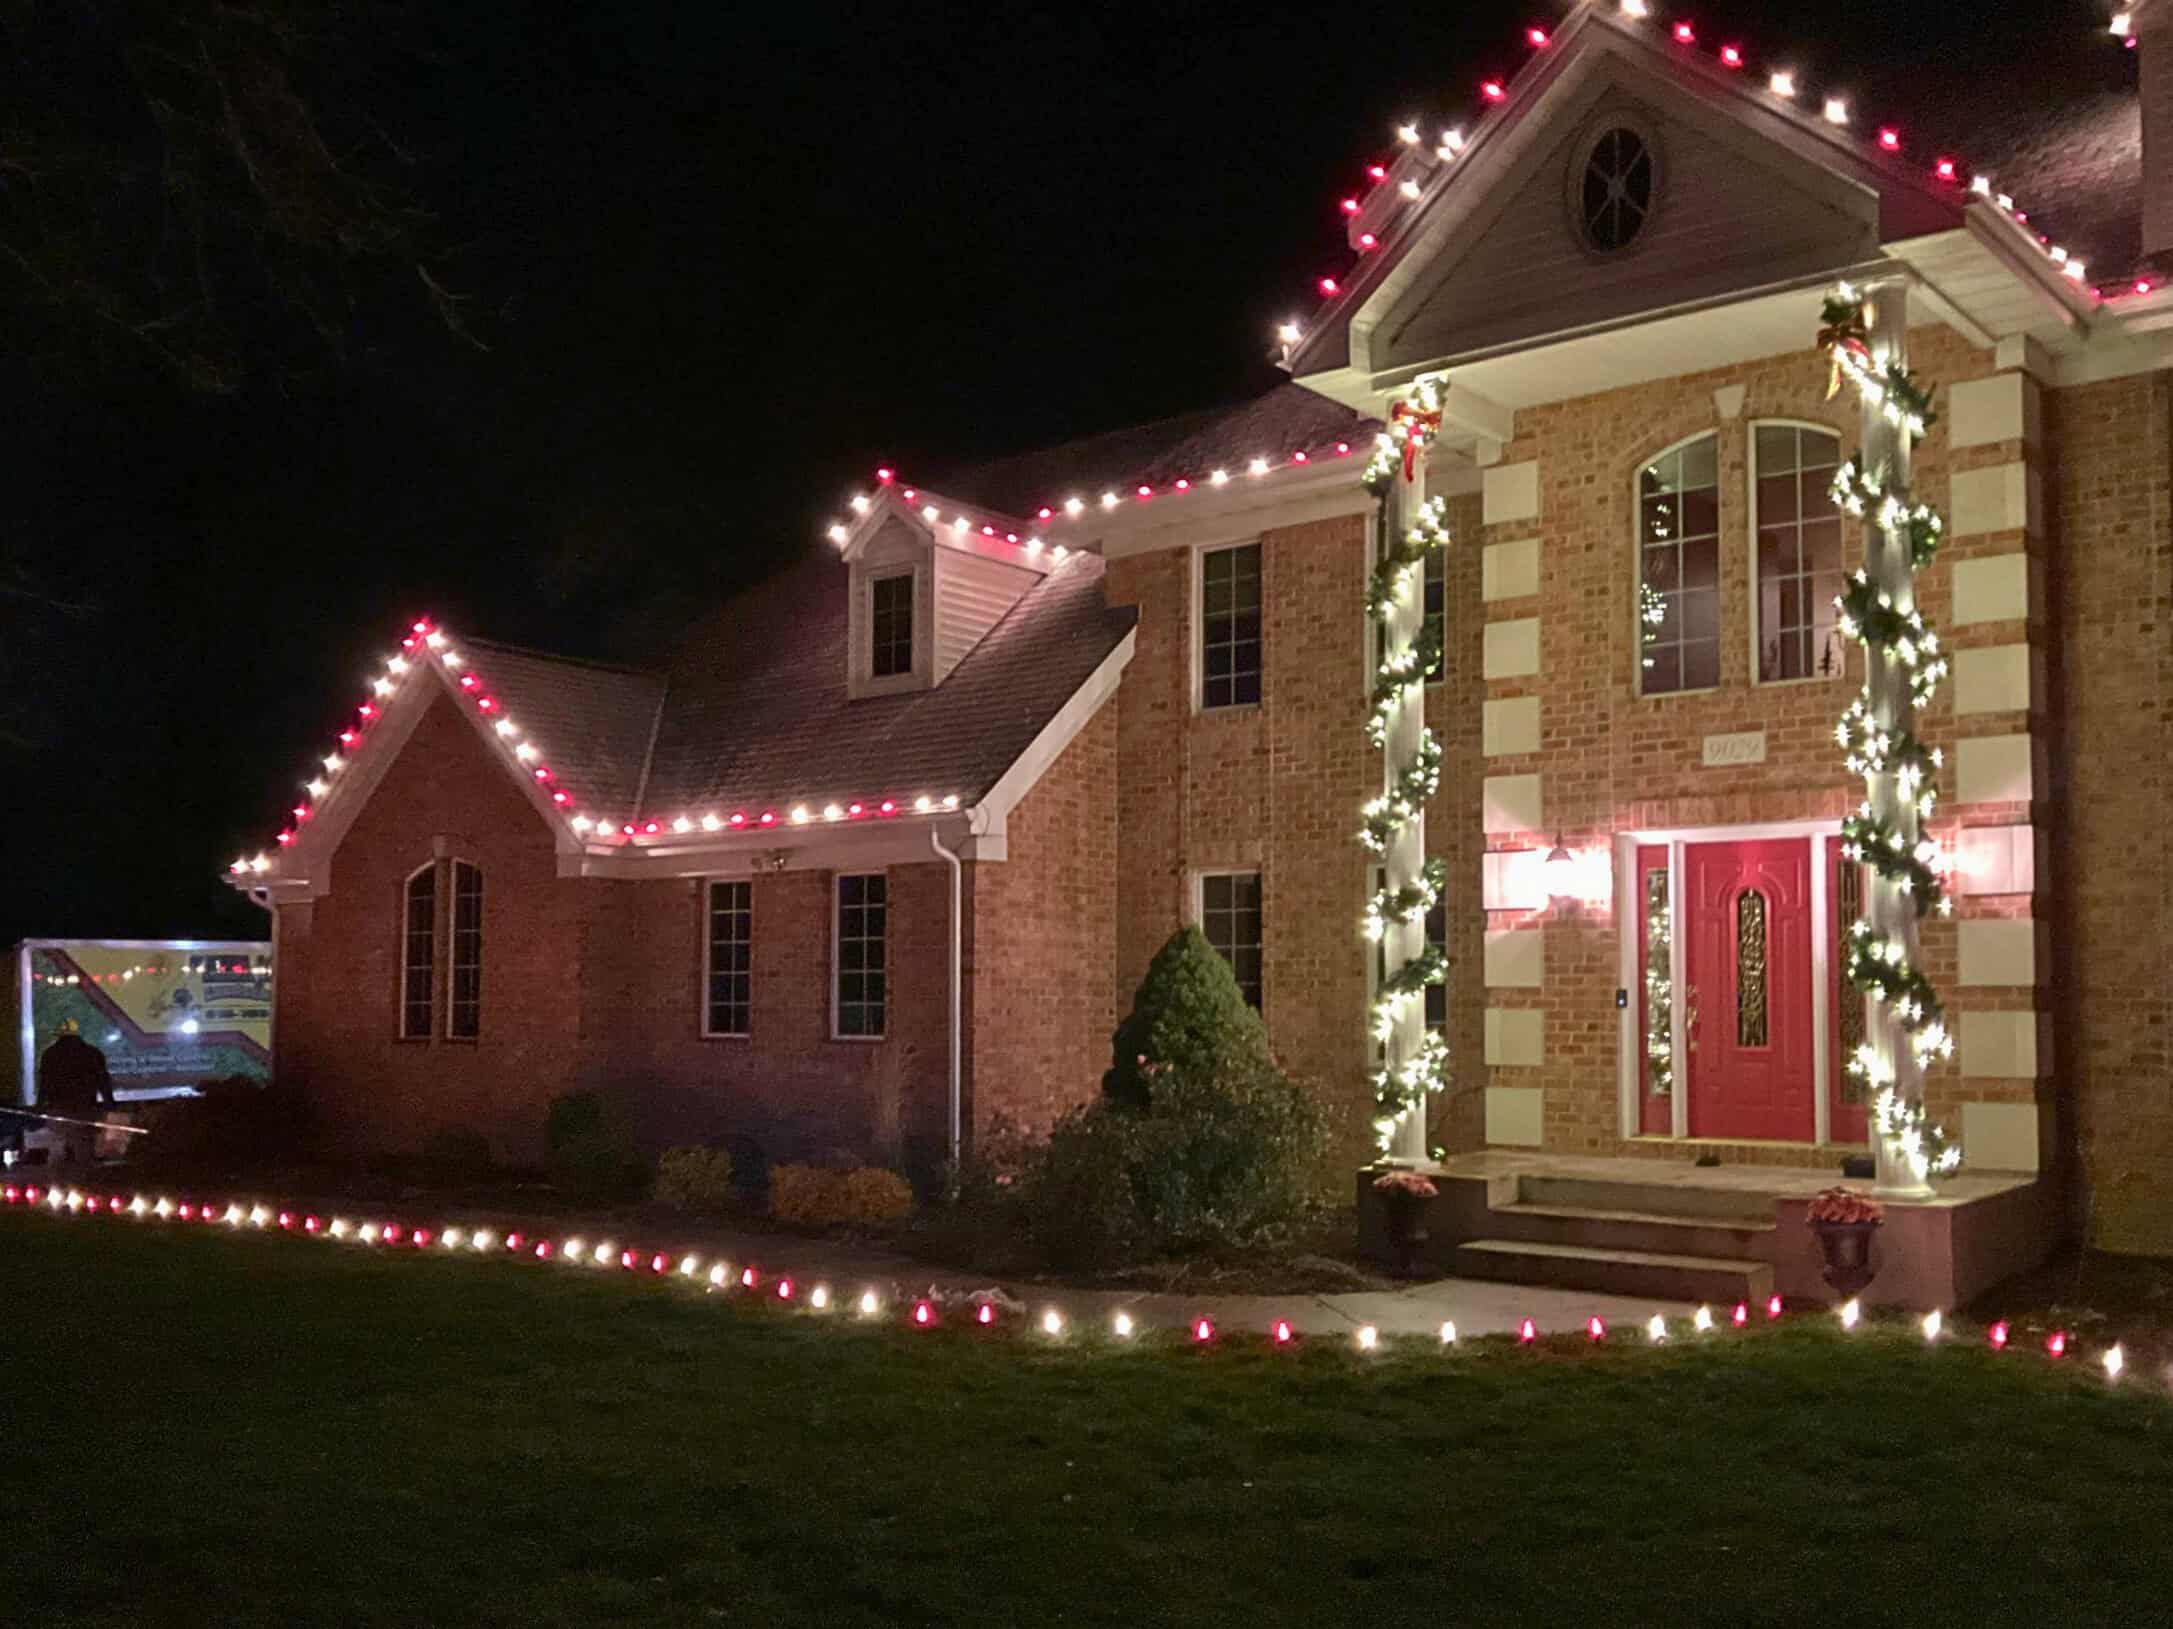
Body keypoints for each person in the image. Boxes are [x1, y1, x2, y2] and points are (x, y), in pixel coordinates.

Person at [35, 1023, 115, 1166]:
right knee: (84, 1151)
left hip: (58, 1109)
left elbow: (44, 1084)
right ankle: (85, 1177)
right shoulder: (92, 1053)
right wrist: (109, 1103)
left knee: (57, 1151)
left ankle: (57, 1177)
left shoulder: (50, 1054)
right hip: (85, 1109)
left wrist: (40, 1106)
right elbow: (103, 1081)